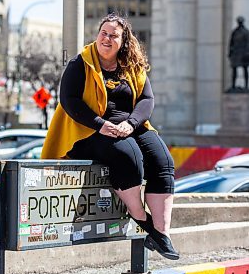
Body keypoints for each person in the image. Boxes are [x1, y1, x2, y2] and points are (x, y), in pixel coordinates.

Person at [41, 13, 179, 260]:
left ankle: (161, 232)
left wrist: (132, 123)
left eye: (113, 35)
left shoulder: (132, 65)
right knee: (129, 155)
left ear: (123, 41)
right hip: (89, 131)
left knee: (163, 161)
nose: (106, 38)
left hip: (129, 126)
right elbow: (68, 101)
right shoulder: (80, 64)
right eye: (103, 33)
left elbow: (147, 99)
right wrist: (100, 124)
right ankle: (143, 220)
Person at [228, 16, 249, 90]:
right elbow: (231, 43)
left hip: (243, 53)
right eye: (238, 21)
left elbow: (248, 43)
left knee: (245, 69)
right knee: (234, 69)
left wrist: (247, 53)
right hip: (236, 53)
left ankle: (246, 85)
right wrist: (230, 52)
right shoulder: (235, 32)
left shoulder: (246, 32)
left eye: (240, 21)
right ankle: (233, 85)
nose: (239, 23)